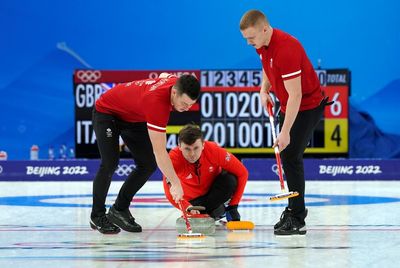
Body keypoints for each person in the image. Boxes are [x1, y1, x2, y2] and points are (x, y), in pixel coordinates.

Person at [240, 10, 331, 235]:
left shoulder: (287, 48)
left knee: (290, 155)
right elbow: (267, 67)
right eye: (246, 39)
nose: (248, 43)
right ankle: (293, 210)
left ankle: (298, 218)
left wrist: (286, 131)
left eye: (251, 38)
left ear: (264, 29)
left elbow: (296, 96)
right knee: (288, 154)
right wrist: (264, 90)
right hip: (288, 103)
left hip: (307, 105)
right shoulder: (262, 44)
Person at [90, 73, 201, 234]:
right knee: (110, 163)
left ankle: (119, 209)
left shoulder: (174, 82)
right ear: (174, 93)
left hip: (132, 117)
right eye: (184, 103)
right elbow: (160, 152)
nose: (187, 108)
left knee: (147, 164)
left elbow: (164, 75)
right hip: (107, 112)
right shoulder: (157, 103)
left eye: (191, 104)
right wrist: (175, 183)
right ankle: (97, 215)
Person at [163, 124, 248, 222]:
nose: (192, 154)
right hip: (193, 202)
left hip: (214, 193)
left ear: (203, 145)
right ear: (179, 147)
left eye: (196, 148)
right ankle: (216, 212)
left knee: (230, 180)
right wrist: (187, 207)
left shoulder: (213, 150)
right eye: (187, 149)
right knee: (216, 211)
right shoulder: (174, 159)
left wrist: (233, 205)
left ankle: (216, 211)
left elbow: (242, 173)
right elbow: (169, 191)